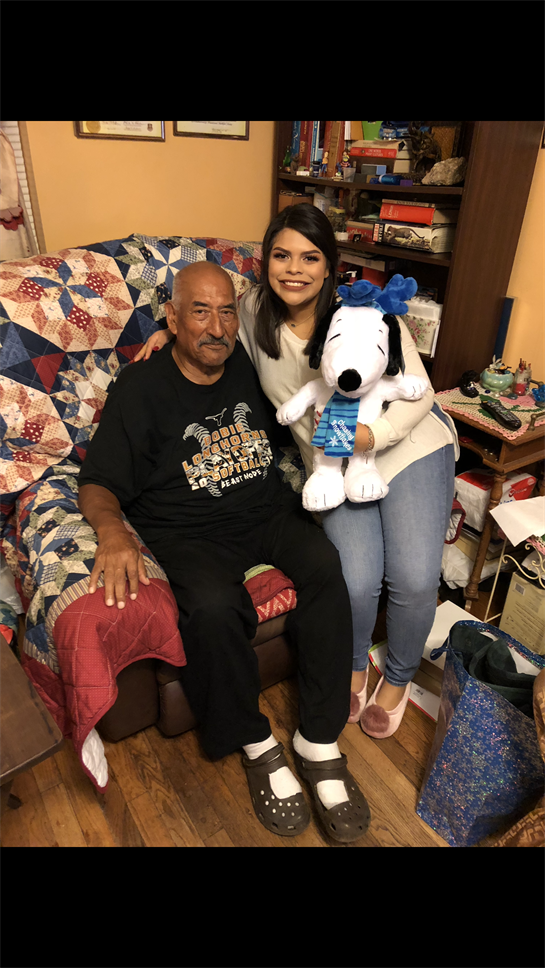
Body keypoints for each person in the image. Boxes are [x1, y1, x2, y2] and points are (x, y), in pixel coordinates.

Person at [137, 207, 458, 741]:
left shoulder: (365, 310)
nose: (294, 269)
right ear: (265, 262)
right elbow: (205, 327)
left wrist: (372, 437)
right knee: (354, 578)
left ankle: (399, 678)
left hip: (406, 445)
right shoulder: (251, 310)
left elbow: (419, 395)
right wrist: (164, 338)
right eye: (281, 256)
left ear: (330, 265)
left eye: (310, 258)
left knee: (413, 578)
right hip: (331, 465)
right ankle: (353, 665)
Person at [78, 260, 371, 844]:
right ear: (172, 318)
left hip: (264, 511)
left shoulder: (246, 364)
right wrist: (111, 532)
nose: (216, 327)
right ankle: (255, 741)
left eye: (226, 312)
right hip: (187, 531)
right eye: (199, 312)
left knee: (324, 565)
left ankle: (318, 738)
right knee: (212, 608)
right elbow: (97, 482)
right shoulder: (139, 388)